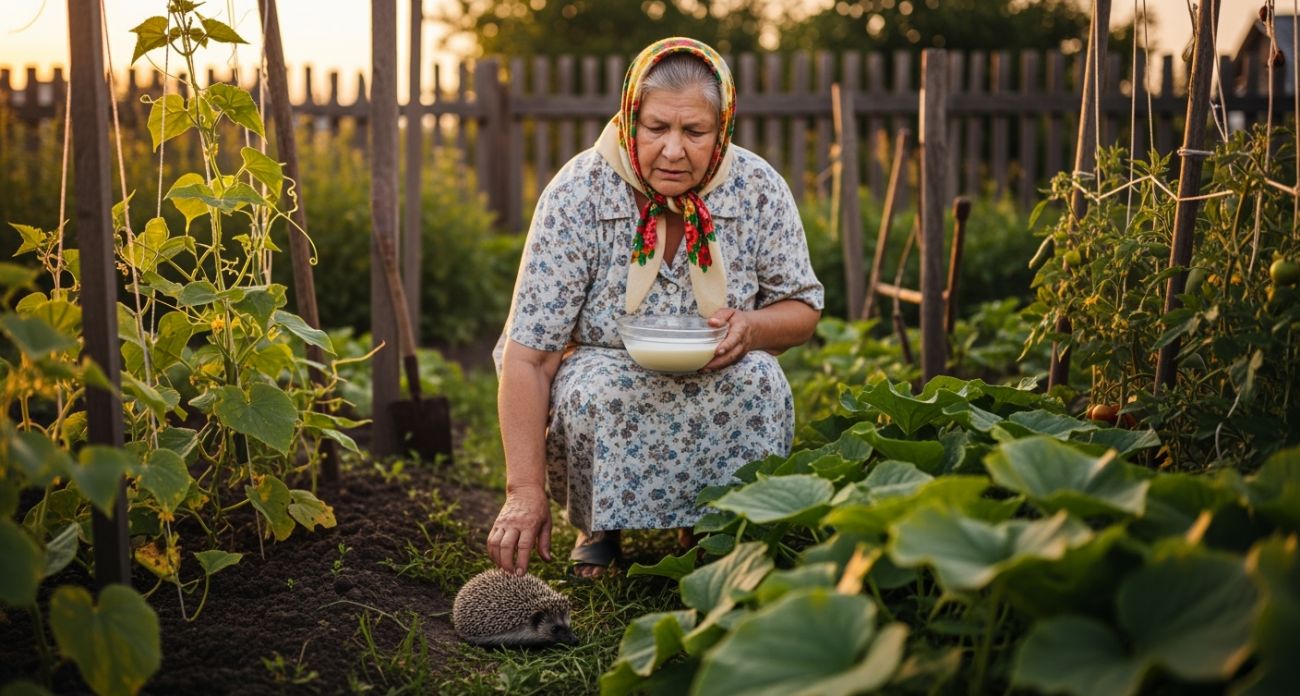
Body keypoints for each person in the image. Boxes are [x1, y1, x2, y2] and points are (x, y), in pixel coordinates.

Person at [488, 37, 824, 578]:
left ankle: (714, 520)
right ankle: (600, 525)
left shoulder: (757, 188)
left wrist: (753, 327)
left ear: (722, 129)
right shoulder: (579, 193)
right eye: (656, 127)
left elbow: (803, 308)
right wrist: (523, 491)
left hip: (718, 368)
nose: (673, 150)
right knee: (595, 389)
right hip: (606, 365)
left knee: (760, 379)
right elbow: (529, 357)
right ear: (630, 120)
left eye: (694, 131)